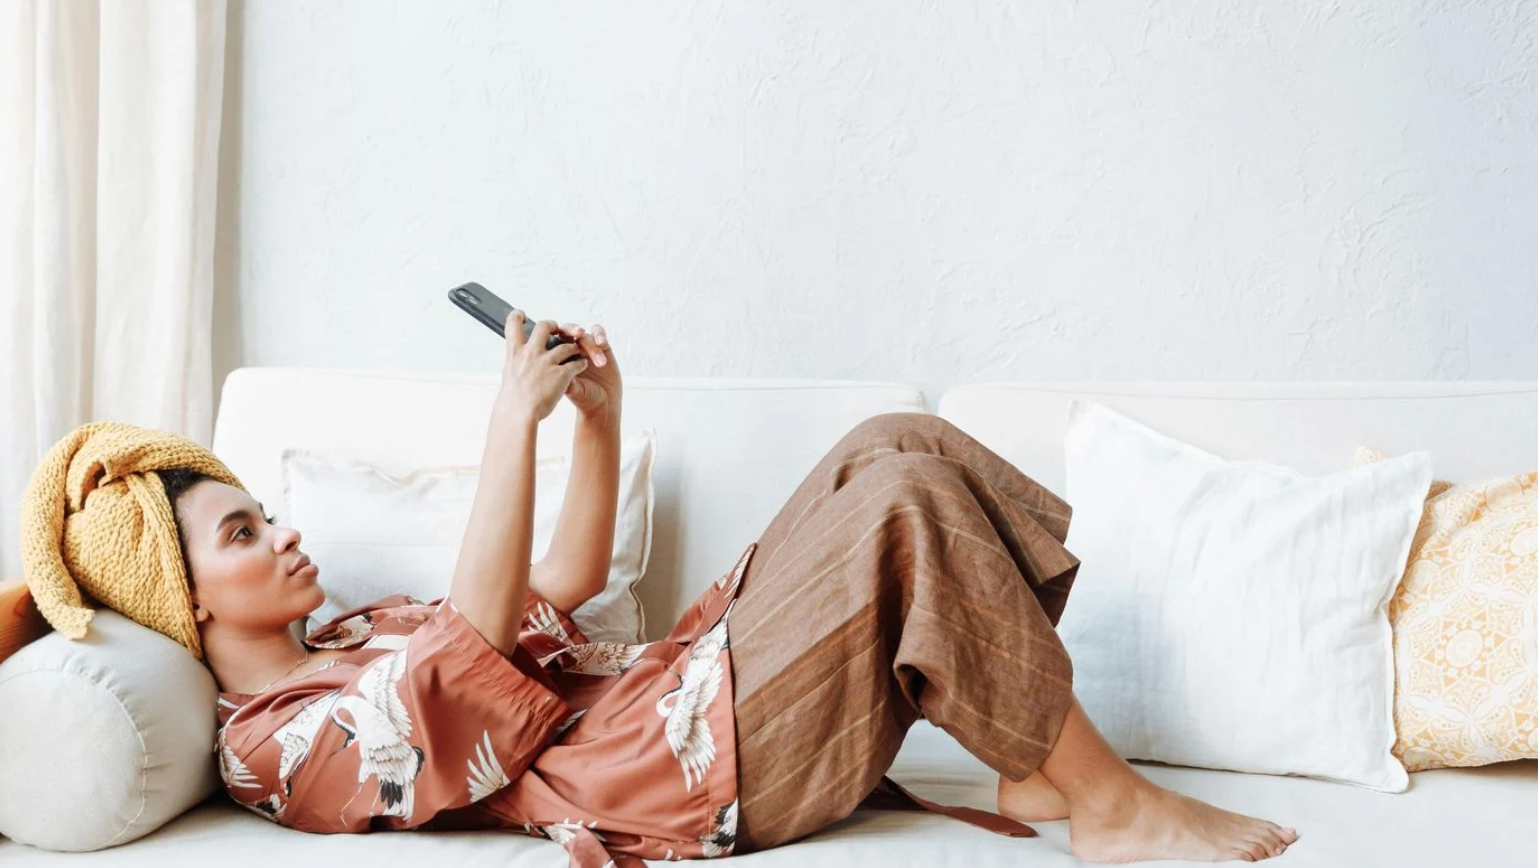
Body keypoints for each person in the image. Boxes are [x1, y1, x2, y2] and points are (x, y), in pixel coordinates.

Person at [19, 313, 1298, 868]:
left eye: (264, 511)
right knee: (904, 503)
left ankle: (1033, 754)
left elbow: (559, 585)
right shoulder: (269, 746)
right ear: (185, 600)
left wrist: (594, 419)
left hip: (683, 687)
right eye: (244, 532)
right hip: (686, 772)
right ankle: (1109, 802)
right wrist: (508, 422)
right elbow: (469, 652)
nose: (283, 533)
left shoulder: (357, 625)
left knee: (890, 440)